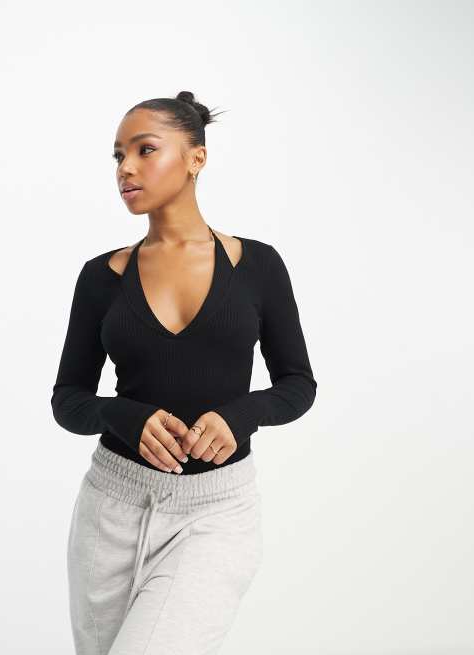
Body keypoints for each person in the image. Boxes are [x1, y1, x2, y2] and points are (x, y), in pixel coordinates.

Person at [51, 90, 317, 655]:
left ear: (197, 157)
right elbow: (68, 400)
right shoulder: (101, 276)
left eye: (145, 149)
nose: (125, 168)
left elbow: (298, 384)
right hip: (109, 510)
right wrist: (123, 416)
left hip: (215, 514)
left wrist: (242, 414)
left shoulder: (259, 265)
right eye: (118, 155)